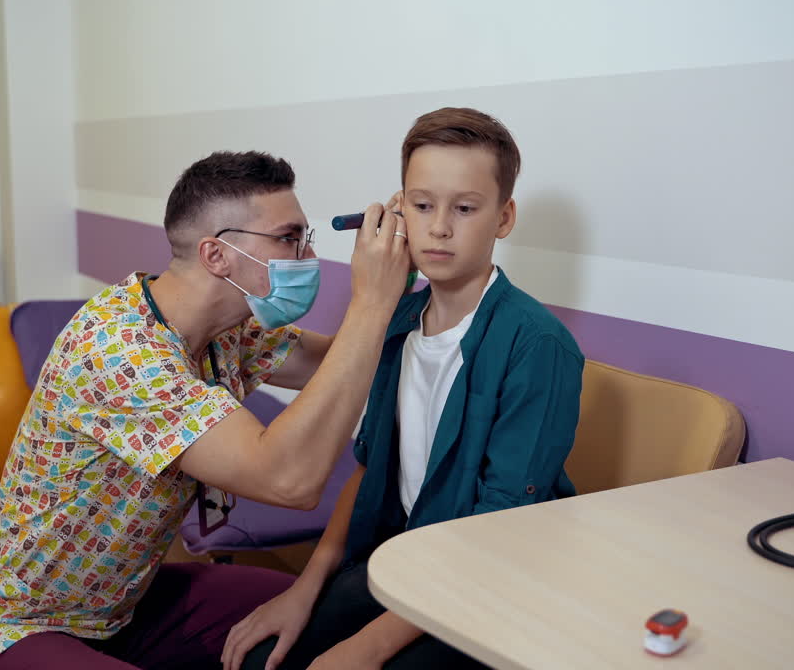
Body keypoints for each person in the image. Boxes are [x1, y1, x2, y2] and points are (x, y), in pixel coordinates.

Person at [0, 150, 412, 669]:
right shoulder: (122, 352)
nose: (307, 257)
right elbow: (288, 480)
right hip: (14, 627)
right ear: (217, 255)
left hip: (120, 609)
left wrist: (403, 285)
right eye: (289, 238)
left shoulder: (228, 331)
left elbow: (339, 363)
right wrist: (370, 301)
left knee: (309, 610)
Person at [228, 108, 585, 670]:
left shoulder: (537, 345)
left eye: (465, 209)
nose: (439, 227)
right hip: (405, 565)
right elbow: (371, 467)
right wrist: (306, 586)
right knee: (262, 659)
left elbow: (503, 526)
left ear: (504, 216)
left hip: (491, 581)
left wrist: (364, 650)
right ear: (399, 210)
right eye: (421, 206)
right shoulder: (395, 322)